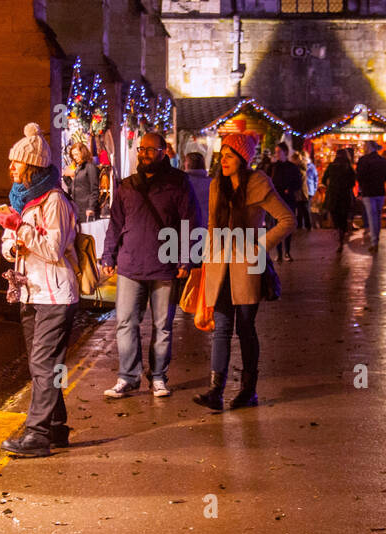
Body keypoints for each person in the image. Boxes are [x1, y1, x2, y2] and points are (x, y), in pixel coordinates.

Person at [193, 130, 295, 411]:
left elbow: (287, 219)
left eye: (229, 156)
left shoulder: (258, 183)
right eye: (221, 155)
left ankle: (249, 391)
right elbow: (213, 225)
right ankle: (216, 391)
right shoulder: (218, 185)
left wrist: (259, 246)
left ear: (243, 158)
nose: (223, 160)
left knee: (246, 328)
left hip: (248, 266)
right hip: (219, 265)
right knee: (222, 328)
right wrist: (207, 259)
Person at [0, 123, 79, 457]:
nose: (11, 168)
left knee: (44, 365)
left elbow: (54, 249)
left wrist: (21, 230)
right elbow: (9, 243)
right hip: (30, 292)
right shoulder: (21, 200)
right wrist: (12, 245)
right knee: (44, 365)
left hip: (55, 294)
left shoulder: (55, 200)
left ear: (32, 166)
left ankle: (37, 435)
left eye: (17, 163)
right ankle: (57, 426)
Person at [100, 131, 199, 399]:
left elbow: (190, 222)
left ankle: (158, 377)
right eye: (141, 149)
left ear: (163, 151)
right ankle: (128, 377)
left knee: (163, 326)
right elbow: (116, 224)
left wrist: (185, 258)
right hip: (130, 264)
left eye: (149, 149)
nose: (143, 154)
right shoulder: (127, 185)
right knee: (125, 323)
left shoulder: (178, 183)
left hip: (165, 265)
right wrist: (108, 255)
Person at [267, 141, 303, 262]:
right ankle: (279, 253)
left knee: (287, 226)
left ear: (285, 153)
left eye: (279, 152)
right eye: (276, 152)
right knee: (276, 228)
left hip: (288, 200)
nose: (277, 154)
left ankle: (287, 251)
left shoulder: (292, 167)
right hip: (275, 201)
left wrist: (290, 189)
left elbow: (298, 183)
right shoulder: (272, 167)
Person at [355, 140, 386, 252]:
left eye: (365, 146)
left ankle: (374, 241)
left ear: (369, 147)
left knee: (372, 216)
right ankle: (376, 239)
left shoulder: (363, 160)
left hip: (368, 192)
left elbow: (359, 177)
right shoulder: (383, 161)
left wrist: (361, 190)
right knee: (378, 216)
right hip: (380, 191)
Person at [322, 147, 357, 251]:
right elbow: (352, 183)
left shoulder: (331, 167)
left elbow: (324, 180)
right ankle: (342, 236)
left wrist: (331, 185)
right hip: (345, 196)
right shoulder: (348, 168)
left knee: (335, 216)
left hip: (333, 196)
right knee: (343, 217)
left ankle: (339, 234)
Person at [63, 141, 100, 223]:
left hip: (87, 209)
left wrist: (91, 207)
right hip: (78, 208)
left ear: (83, 152)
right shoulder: (79, 168)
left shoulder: (90, 167)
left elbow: (95, 189)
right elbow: (73, 186)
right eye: (73, 155)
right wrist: (66, 176)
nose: (75, 157)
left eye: (76, 154)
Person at [183, 151, 212, 225]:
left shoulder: (183, 182)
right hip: (207, 224)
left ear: (187, 164)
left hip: (186, 226)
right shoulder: (211, 183)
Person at [293, 150, 315, 231]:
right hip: (303, 191)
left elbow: (300, 180)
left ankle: (307, 226)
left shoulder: (300, 168)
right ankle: (303, 225)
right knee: (301, 209)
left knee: (304, 209)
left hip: (302, 191)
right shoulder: (302, 167)